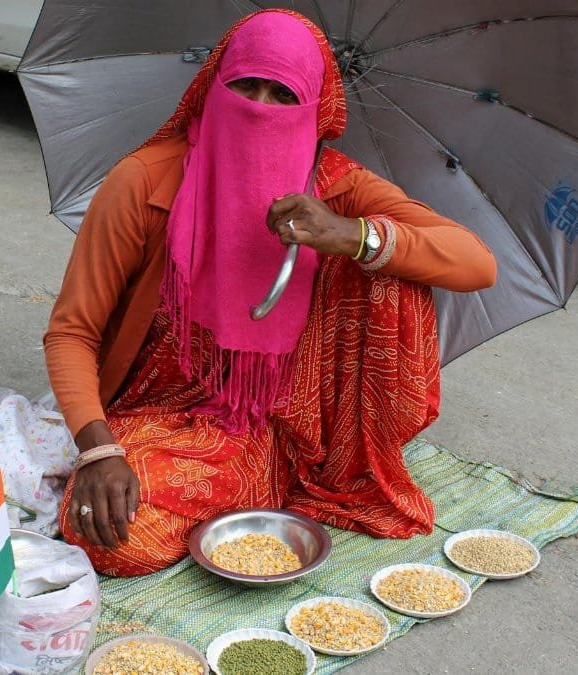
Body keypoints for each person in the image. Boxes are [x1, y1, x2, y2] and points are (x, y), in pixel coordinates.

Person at [44, 9, 496, 577]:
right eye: (244, 85)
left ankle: (320, 469)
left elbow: (476, 263)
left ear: (313, 109)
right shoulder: (145, 181)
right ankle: (245, 489)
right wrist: (99, 449)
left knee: (389, 260)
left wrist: (349, 234)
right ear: (213, 86)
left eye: (282, 93)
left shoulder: (335, 184)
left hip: (292, 425)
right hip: (160, 414)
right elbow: (72, 331)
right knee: (110, 537)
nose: (259, 106)